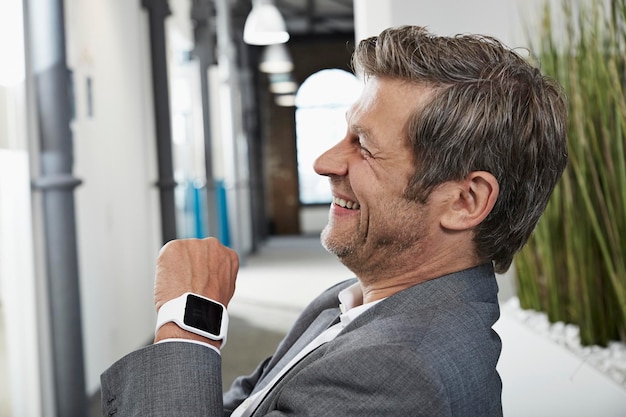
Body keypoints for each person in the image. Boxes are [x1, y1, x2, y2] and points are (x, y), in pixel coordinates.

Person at [101, 25, 568, 416]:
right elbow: (254, 400)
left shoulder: (399, 375)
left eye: (363, 145)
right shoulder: (353, 301)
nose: (324, 162)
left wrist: (188, 325)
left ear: (465, 201)